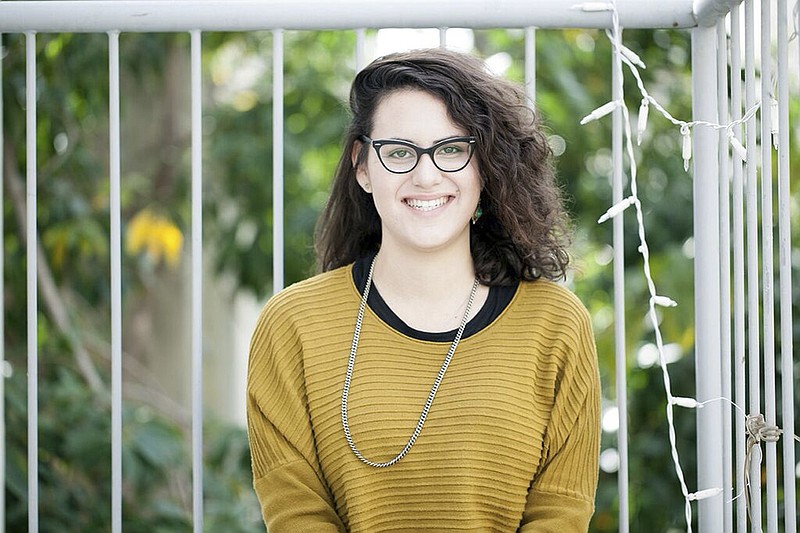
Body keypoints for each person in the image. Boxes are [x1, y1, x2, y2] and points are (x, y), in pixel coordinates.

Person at [247, 47, 600, 532]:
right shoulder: (292, 324)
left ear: (485, 167)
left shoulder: (556, 323)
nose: (426, 174)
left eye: (452, 149)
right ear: (363, 167)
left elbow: (560, 514)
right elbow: (296, 514)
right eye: (398, 152)